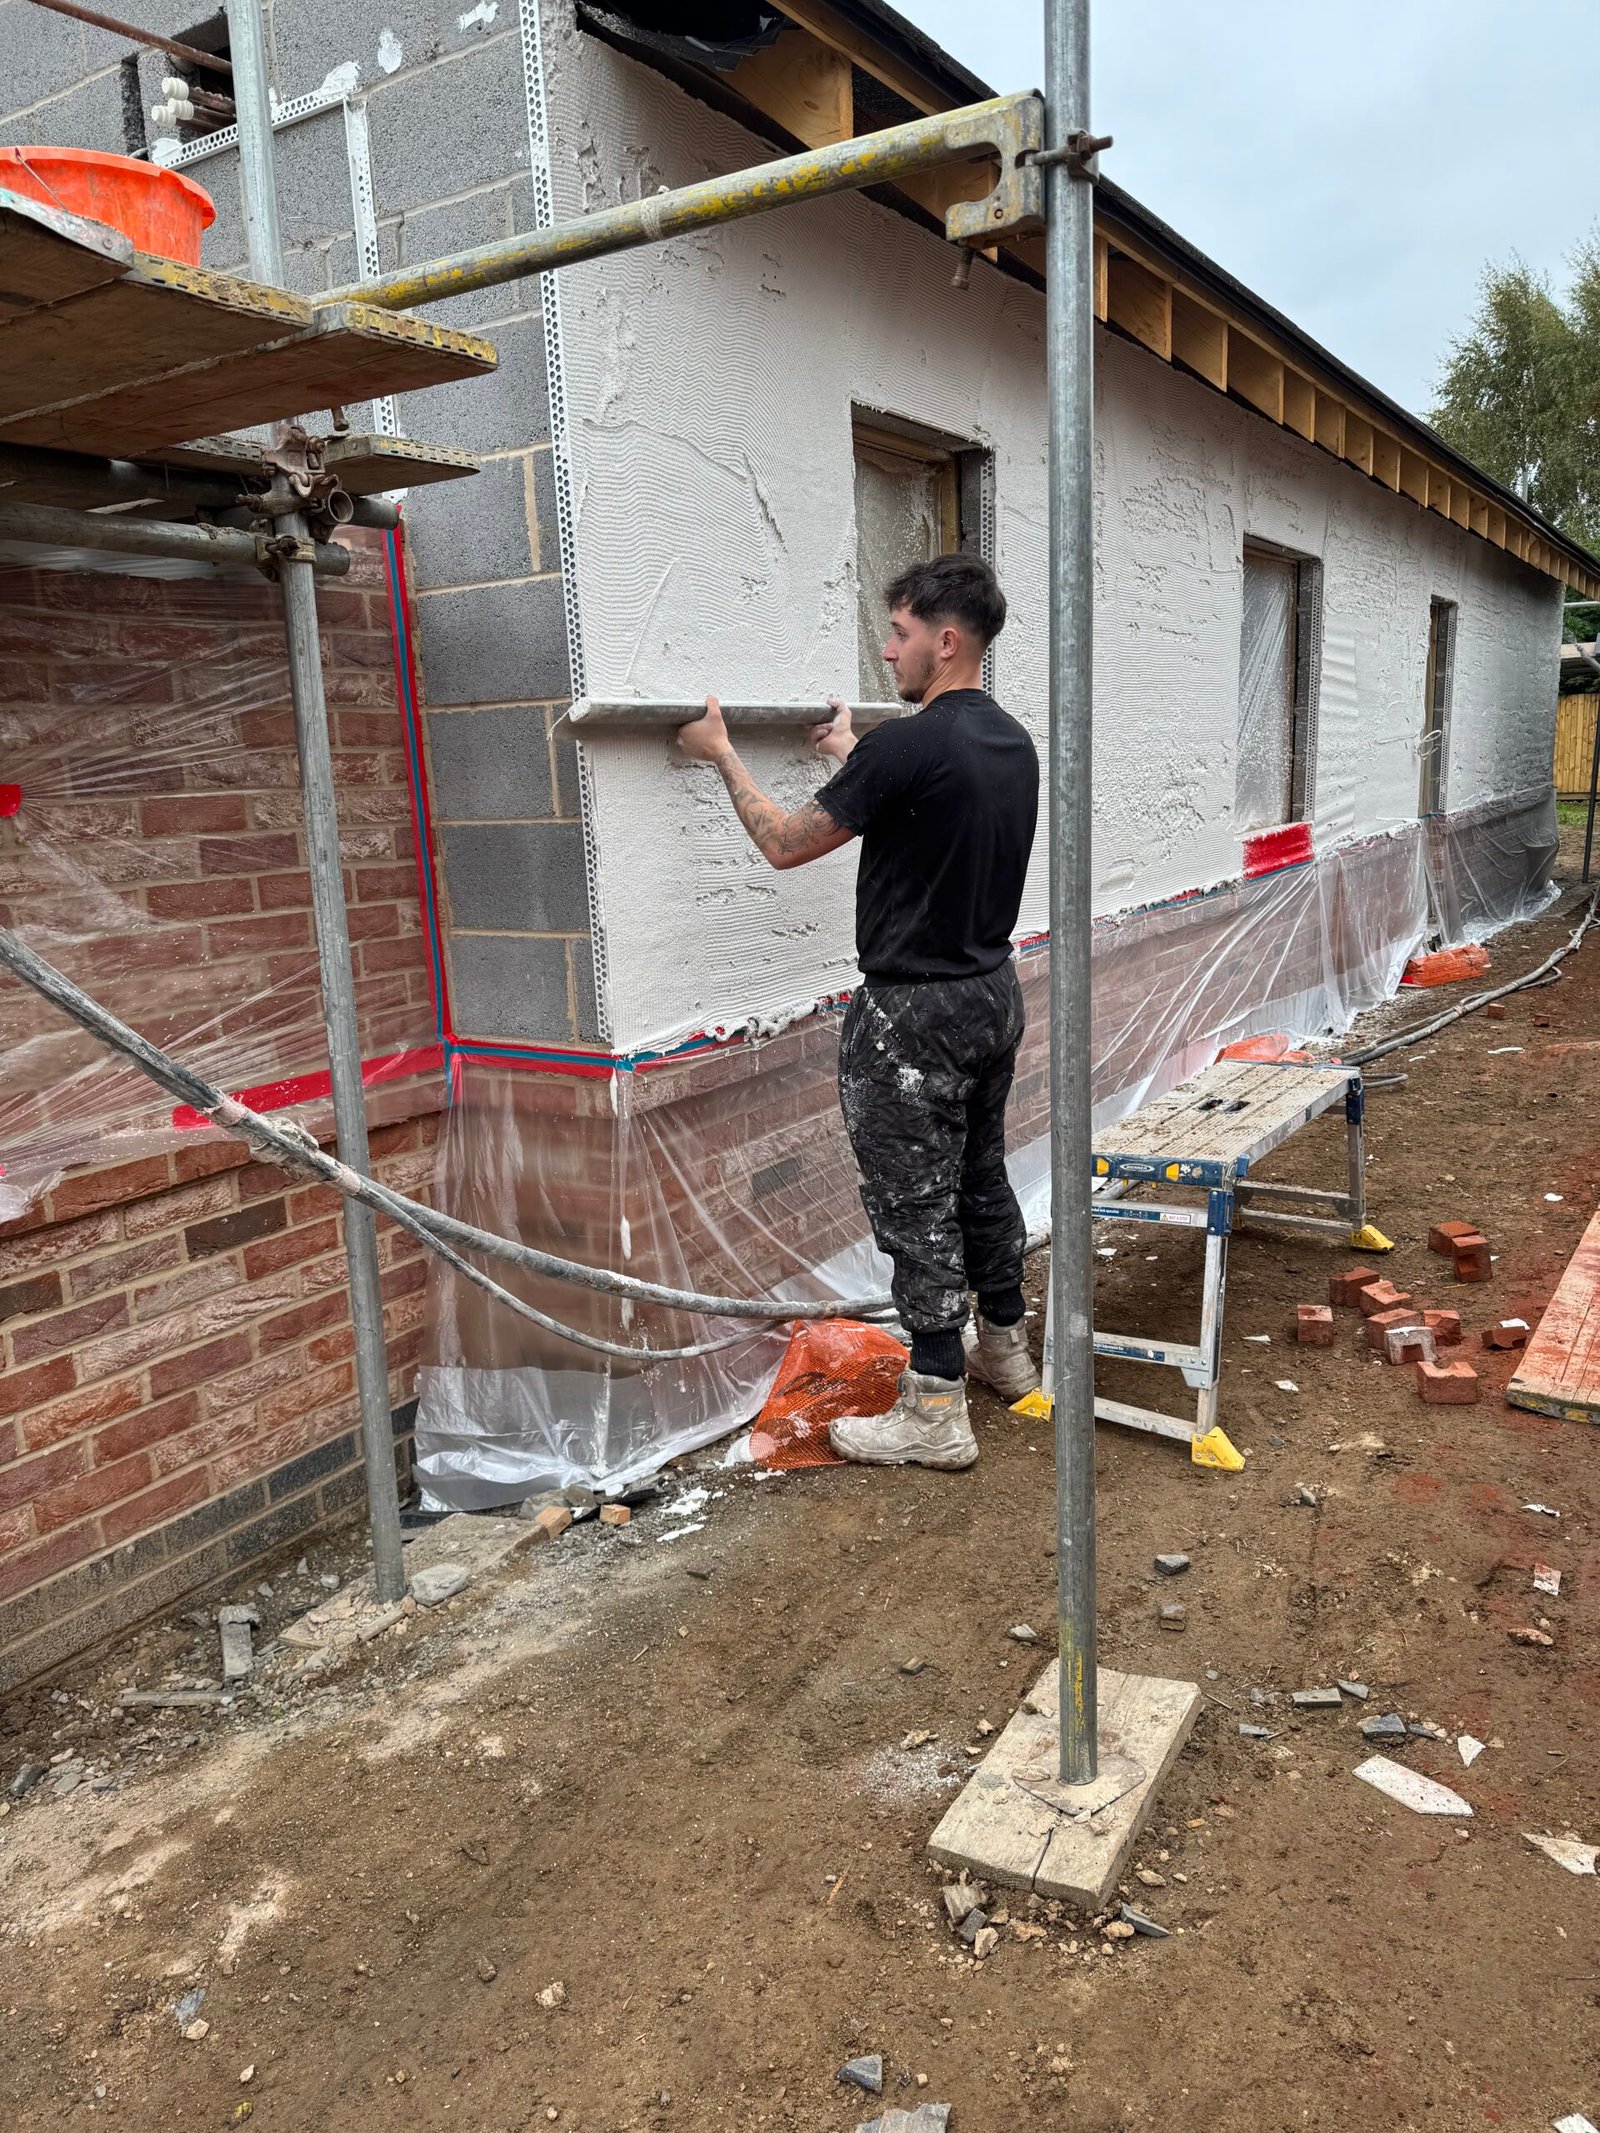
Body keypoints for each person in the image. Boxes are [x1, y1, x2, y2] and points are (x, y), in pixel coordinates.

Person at [675, 552, 1040, 1469]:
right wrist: (851, 755)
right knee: (980, 1178)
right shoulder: (1008, 742)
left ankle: (935, 1408)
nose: (887, 650)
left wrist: (721, 754)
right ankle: (1005, 1348)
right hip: (990, 995)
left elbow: (783, 843)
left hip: (911, 1016)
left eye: (900, 633)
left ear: (945, 641)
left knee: (915, 1206)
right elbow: (925, 805)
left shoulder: (905, 747)